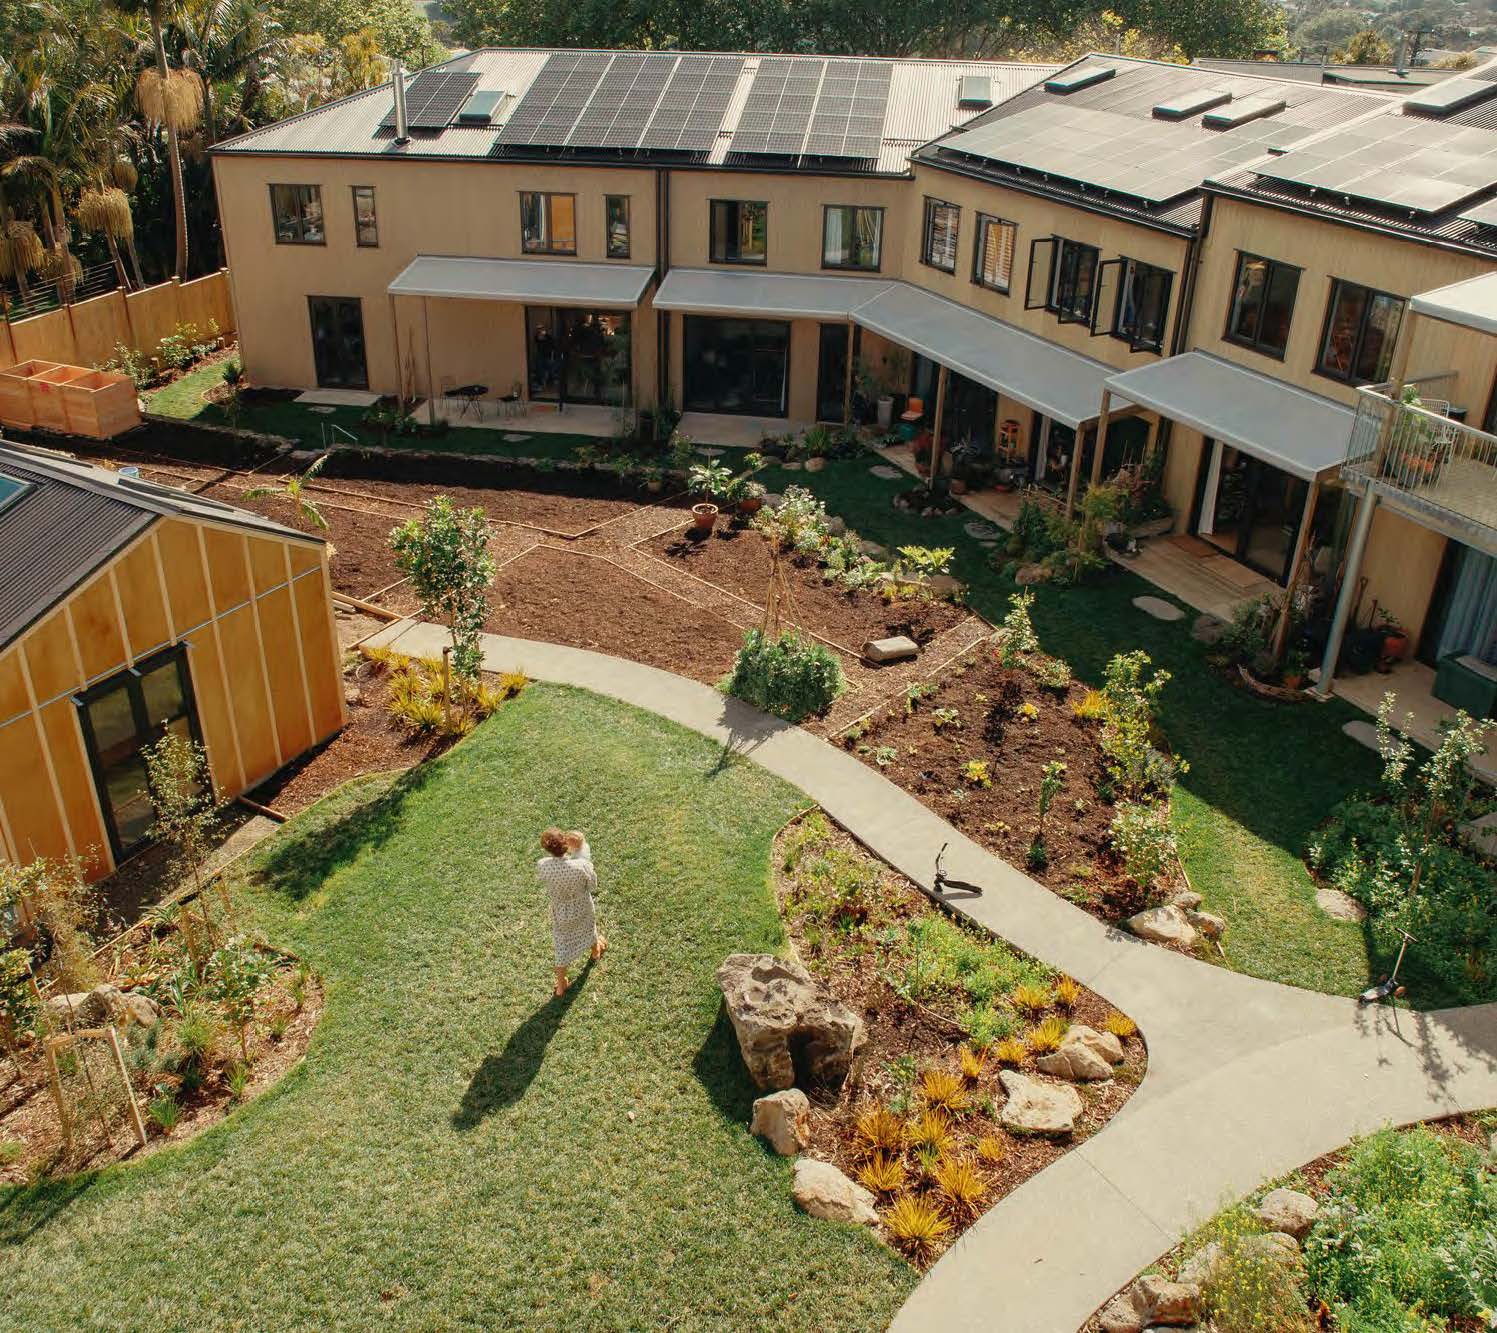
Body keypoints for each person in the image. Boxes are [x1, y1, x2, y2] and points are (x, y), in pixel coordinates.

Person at [536, 827, 606, 997]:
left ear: (547, 849)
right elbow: (592, 886)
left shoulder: (543, 866)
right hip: (582, 907)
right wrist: (580, 849)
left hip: (561, 911)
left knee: (562, 945)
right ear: (566, 843)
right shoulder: (581, 865)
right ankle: (595, 951)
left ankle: (561, 986)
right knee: (588, 928)